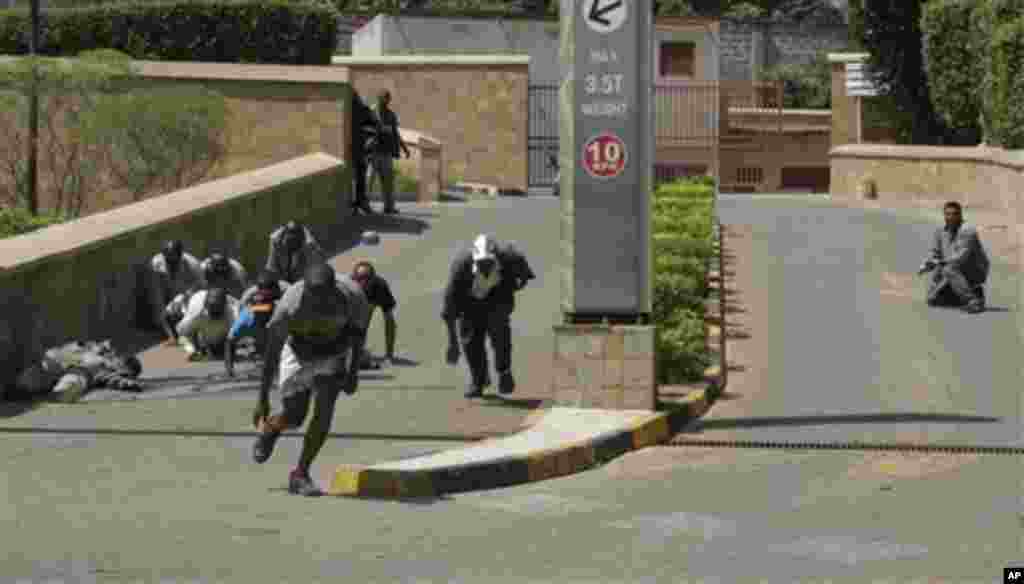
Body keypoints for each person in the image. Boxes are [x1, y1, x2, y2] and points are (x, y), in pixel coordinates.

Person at [251, 263, 370, 497]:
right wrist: (262, 398)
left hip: (334, 352)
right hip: (299, 353)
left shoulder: (354, 298)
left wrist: (353, 371)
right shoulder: (288, 307)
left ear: (334, 290)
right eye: (312, 298)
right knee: (295, 416)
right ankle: (271, 430)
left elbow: (358, 337)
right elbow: (272, 353)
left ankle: (300, 473)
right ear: (304, 290)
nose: (318, 304)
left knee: (324, 411)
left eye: (323, 299)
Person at [442, 234, 536, 398]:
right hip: (470, 305)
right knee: (470, 341)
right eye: (480, 263)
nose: (485, 267)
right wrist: (452, 343)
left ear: (497, 258)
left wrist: (515, 286)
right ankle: (478, 380)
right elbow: (449, 310)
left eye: (489, 263)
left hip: (498, 299)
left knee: (500, 333)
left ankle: (504, 372)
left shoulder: (510, 259)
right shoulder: (461, 268)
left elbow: (525, 275)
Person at [12, 340, 143, 402]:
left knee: (77, 379)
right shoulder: (96, 349)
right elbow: (74, 346)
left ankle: (60, 393)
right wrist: (95, 347)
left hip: (79, 371)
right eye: (120, 360)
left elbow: (112, 380)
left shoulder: (103, 370)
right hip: (56, 362)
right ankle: (19, 389)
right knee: (24, 383)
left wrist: (128, 384)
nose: (118, 361)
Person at [918, 201, 990, 314]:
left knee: (949, 268)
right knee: (932, 299)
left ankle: (973, 301)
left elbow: (960, 258)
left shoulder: (968, 231)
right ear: (944, 215)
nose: (951, 217)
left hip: (974, 270)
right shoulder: (940, 231)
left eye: (954, 214)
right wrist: (931, 268)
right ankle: (974, 293)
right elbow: (936, 255)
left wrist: (937, 263)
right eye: (948, 214)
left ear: (960, 215)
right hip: (953, 270)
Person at [224, 271, 291, 377]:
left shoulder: (287, 294)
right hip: (256, 321)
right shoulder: (246, 317)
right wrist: (229, 369)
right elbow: (229, 341)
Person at [147, 240, 204, 345]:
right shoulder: (156, 263)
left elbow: (202, 285)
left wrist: (186, 295)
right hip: (170, 293)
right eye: (168, 259)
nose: (171, 263)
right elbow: (156, 290)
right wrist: (161, 308)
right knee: (162, 315)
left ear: (180, 255)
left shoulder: (193, 264)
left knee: (191, 318)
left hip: (189, 293)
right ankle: (172, 334)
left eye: (174, 260)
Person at [367, 89, 412, 215]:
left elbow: (395, 133)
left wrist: (404, 148)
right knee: (368, 180)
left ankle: (389, 206)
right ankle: (364, 205)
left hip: (386, 153)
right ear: (379, 99)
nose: (386, 102)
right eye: (384, 99)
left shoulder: (391, 115)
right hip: (373, 153)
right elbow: (364, 130)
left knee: (388, 182)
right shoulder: (371, 112)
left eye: (388, 100)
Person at [351, 261, 398, 368]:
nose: (362, 281)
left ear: (373, 278)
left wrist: (389, 356)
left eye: (366, 278)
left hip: (368, 304)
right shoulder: (348, 286)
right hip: (353, 310)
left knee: (388, 320)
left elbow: (389, 320)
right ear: (354, 278)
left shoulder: (380, 286)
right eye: (359, 278)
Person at [176, 287, 241, 361]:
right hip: (200, 313)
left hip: (221, 328)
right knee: (185, 333)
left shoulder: (233, 312)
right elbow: (182, 335)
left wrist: (232, 348)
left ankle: (219, 344)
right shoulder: (196, 309)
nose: (214, 312)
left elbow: (235, 334)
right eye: (212, 309)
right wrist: (192, 351)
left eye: (217, 309)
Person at [351, 89, 382, 216]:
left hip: (359, 149)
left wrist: (369, 141)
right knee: (356, 178)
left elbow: (375, 124)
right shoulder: (355, 105)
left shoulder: (361, 108)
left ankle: (361, 203)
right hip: (354, 149)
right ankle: (356, 205)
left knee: (359, 177)